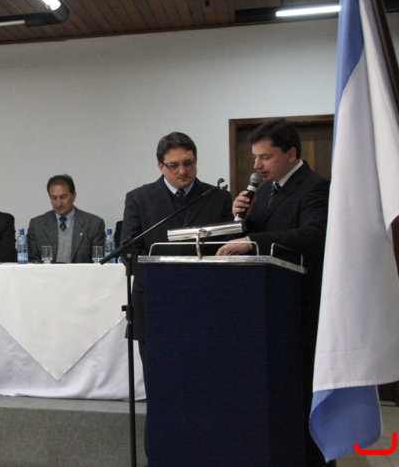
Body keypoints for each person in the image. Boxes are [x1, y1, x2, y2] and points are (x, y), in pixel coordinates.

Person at [217, 118, 332, 467]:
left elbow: (313, 235)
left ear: (291, 153)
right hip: (266, 312)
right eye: (255, 157)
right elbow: (256, 239)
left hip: (301, 308)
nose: (256, 165)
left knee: (303, 400)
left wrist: (251, 240)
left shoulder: (316, 187)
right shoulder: (264, 193)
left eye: (265, 157)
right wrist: (241, 220)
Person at [120, 132, 232, 376]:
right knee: (159, 377)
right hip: (155, 300)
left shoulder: (219, 198)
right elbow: (129, 250)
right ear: (160, 166)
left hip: (205, 302)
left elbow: (227, 250)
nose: (183, 171)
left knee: (205, 376)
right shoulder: (139, 199)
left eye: (188, 163)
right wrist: (166, 281)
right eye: (174, 165)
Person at [27, 174, 105, 263]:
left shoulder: (93, 224)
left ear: (73, 196)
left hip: (82, 272)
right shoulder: (37, 225)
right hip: (47, 272)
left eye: (63, 197)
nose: (58, 203)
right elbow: (32, 261)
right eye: (54, 198)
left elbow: (98, 262)